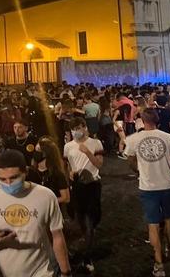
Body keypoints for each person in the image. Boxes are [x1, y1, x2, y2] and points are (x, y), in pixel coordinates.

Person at [0, 150, 73, 277]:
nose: (8, 183)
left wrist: (65, 271)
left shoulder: (46, 196)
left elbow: (57, 236)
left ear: (25, 172)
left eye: (14, 177)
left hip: (40, 272)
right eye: (2, 179)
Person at [125, 109, 170, 277]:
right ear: (157, 120)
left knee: (152, 225)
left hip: (147, 187)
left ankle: (159, 263)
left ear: (142, 120)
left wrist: (138, 169)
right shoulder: (169, 138)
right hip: (166, 184)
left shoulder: (133, 139)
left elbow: (130, 158)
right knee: (169, 218)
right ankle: (169, 245)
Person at [63, 117, 103, 274]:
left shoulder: (95, 143)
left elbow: (99, 164)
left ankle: (88, 256)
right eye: (73, 128)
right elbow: (66, 165)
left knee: (90, 221)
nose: (76, 131)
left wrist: (87, 153)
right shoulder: (68, 146)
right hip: (77, 186)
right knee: (79, 219)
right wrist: (69, 175)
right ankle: (86, 242)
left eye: (79, 127)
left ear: (85, 127)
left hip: (92, 185)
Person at [28, 136, 70, 207]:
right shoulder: (31, 171)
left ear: (46, 153)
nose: (36, 153)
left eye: (39, 150)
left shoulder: (56, 173)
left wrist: (45, 202)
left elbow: (65, 198)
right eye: (36, 150)